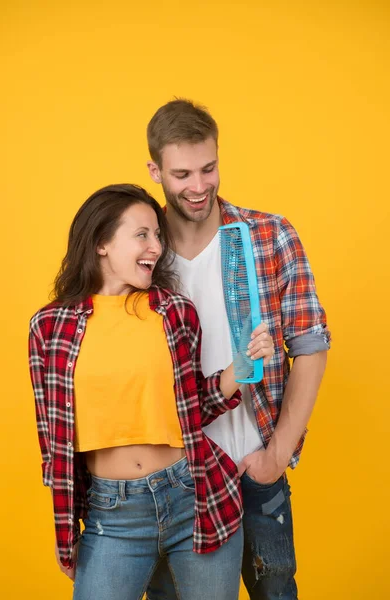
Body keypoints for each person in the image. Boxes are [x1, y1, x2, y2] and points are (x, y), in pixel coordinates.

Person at [28, 184, 275, 600]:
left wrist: (241, 367)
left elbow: (192, 405)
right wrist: (65, 524)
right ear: (101, 242)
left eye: (158, 235)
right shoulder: (51, 328)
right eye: (142, 234)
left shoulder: (174, 311)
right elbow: (52, 441)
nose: (156, 247)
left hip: (194, 498)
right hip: (113, 517)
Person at [145, 100, 331, 600]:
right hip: (173, 476)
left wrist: (277, 454)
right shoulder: (140, 252)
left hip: (253, 465)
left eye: (209, 168)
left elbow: (311, 345)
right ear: (154, 170)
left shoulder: (270, 234)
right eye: (182, 173)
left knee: (275, 593)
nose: (199, 186)